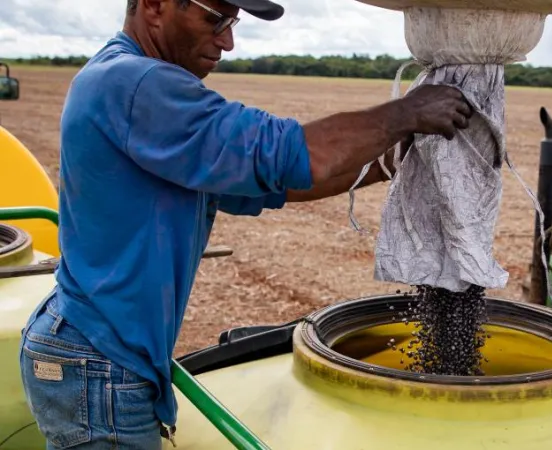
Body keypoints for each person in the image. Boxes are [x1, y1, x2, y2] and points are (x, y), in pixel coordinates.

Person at [17, 0, 473, 448]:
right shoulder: (135, 82)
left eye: (232, 22)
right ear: (155, 5)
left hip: (93, 348)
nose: (228, 41)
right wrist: (406, 113)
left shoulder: (125, 85)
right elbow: (285, 153)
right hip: (99, 359)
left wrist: (386, 164)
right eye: (215, 18)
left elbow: (270, 182)